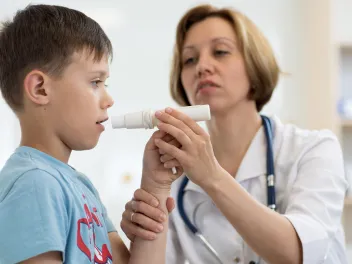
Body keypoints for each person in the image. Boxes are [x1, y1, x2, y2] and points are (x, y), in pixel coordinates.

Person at [120, 4, 349, 264]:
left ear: (255, 65)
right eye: (189, 60)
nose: (202, 67)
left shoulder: (313, 150)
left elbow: (297, 254)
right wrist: (146, 234)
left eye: (220, 52)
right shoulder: (175, 185)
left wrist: (213, 178)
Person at [0, 4, 180, 264]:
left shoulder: (80, 186)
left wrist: (156, 185)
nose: (108, 99)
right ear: (40, 89)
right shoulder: (34, 184)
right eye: (95, 82)